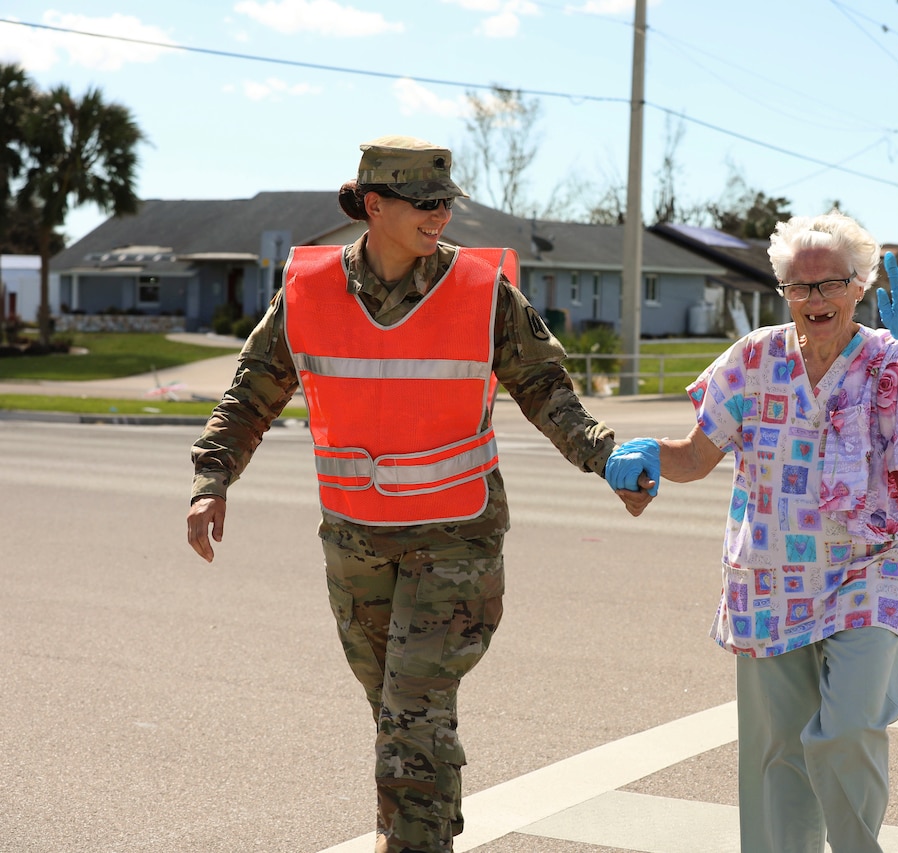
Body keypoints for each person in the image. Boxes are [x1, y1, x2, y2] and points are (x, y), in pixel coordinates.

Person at [186, 136, 647, 853]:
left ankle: (413, 840)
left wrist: (606, 455)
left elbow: (546, 391)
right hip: (355, 539)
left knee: (413, 711)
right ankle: (416, 823)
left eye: (445, 203)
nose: (440, 216)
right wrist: (211, 479)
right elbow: (252, 393)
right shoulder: (307, 291)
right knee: (395, 711)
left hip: (455, 538)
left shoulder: (482, 291)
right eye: (425, 203)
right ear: (375, 205)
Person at [605, 211, 898, 853]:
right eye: (800, 287)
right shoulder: (752, 358)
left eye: (832, 283)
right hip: (772, 572)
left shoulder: (892, 360)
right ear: (784, 291)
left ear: (859, 287)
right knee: (778, 755)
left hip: (874, 564)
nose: (816, 299)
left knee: (848, 728)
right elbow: (697, 456)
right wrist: (643, 453)